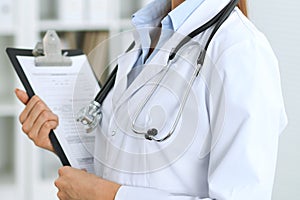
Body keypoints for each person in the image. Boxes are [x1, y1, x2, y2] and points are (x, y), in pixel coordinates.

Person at [15, 0, 288, 199]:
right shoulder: (149, 32)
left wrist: (110, 196)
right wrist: (62, 140)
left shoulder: (242, 52)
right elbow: (126, 156)